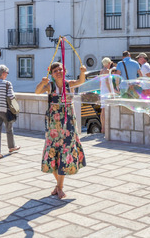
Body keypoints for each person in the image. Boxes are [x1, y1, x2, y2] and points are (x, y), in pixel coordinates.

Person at [35, 62, 87, 199]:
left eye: (61, 70)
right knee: (51, 153)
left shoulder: (69, 84)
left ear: (65, 71)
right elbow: (37, 91)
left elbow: (81, 81)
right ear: (51, 73)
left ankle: (60, 187)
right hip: (53, 125)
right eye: (55, 70)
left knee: (65, 153)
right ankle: (58, 187)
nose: (58, 72)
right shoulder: (50, 86)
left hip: (68, 124)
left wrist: (82, 71)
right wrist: (42, 82)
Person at [0, 65, 20, 161]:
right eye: (7, 73)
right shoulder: (7, 83)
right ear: (3, 73)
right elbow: (11, 96)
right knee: (9, 128)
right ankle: (11, 147)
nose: (7, 74)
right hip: (4, 109)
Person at [99, 57, 115, 134]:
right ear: (108, 63)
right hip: (106, 92)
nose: (110, 65)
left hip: (102, 91)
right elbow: (107, 82)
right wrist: (111, 92)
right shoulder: (107, 71)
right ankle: (105, 128)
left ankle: (103, 128)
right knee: (105, 110)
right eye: (110, 63)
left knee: (103, 110)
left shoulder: (101, 71)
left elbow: (100, 83)